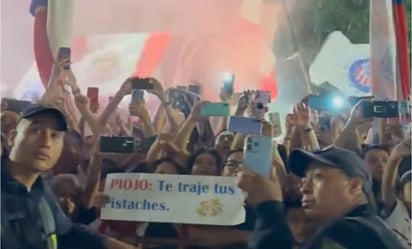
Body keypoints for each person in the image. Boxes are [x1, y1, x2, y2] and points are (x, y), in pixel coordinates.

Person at [1, 104, 137, 249]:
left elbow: (67, 233)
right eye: (36, 130)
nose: (46, 142)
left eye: (55, 136)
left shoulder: (41, 192)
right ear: (12, 137)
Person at [238, 146, 404, 249]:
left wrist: (269, 209)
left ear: (354, 186)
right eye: (304, 179)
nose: (304, 188)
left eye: (318, 177)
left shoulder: (348, 233)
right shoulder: (369, 228)